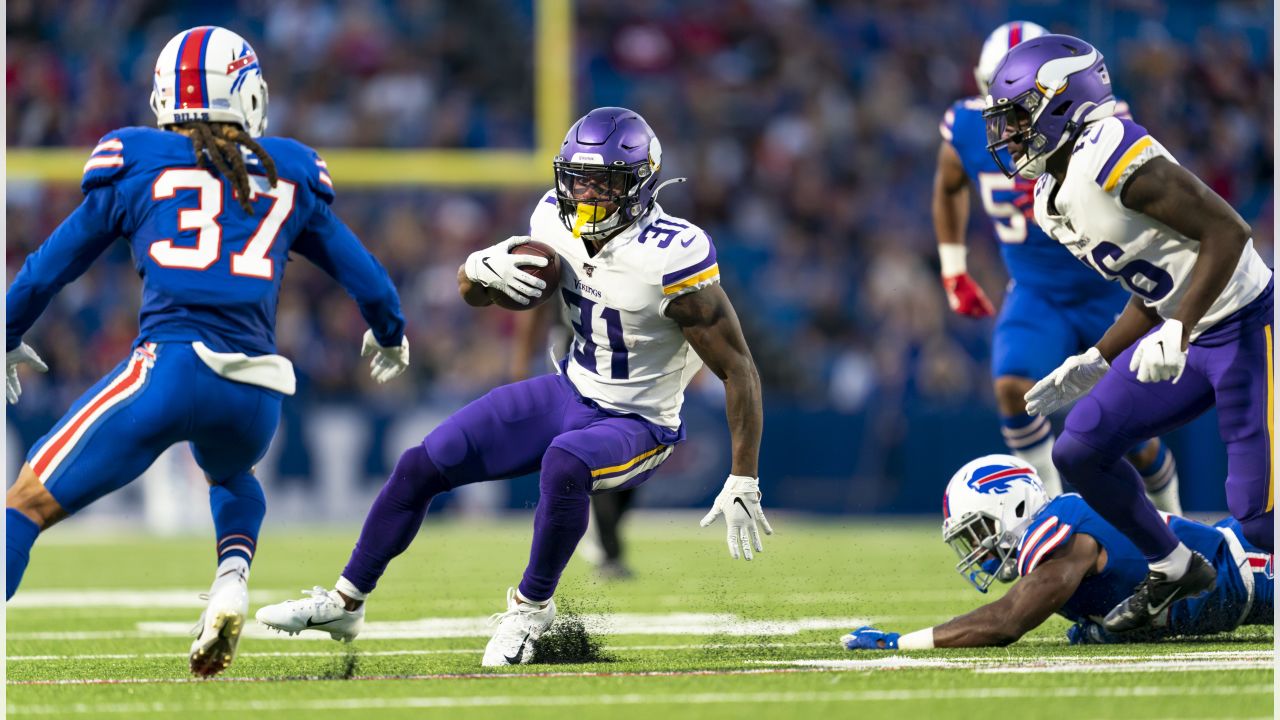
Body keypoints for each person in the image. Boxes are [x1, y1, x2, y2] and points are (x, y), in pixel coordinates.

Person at [255, 107, 770, 666]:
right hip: (568, 391)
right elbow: (487, 294)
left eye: (604, 183)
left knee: (566, 462)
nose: (586, 194)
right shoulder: (552, 217)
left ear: (641, 184)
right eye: (578, 179)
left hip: (637, 422)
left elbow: (738, 366)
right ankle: (345, 600)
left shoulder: (672, 254)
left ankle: (530, 610)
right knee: (421, 463)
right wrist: (475, 270)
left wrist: (743, 475)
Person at [4, 26, 409, 677]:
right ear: (248, 95)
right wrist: (389, 332)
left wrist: (6, 335)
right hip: (255, 391)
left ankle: (226, 584)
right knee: (230, 477)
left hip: (169, 368)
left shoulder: (135, 160)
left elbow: (45, 273)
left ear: (166, 98)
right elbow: (372, 283)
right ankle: (230, 580)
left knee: (23, 504)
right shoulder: (289, 170)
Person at [983, 34, 1273, 633]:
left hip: (1249, 322)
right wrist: (1095, 355)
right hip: (1186, 332)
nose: (1007, 134)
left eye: (1017, 117)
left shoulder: (1108, 151)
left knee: (1258, 515)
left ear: (1060, 101)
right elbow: (1150, 278)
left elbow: (1228, 230)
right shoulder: (1049, 198)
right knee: (1079, 449)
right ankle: (1172, 565)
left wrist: (1181, 325)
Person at [934, 21, 1179, 510]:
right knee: (1011, 387)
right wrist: (953, 266)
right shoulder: (964, 126)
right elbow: (949, 182)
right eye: (992, 99)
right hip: (1036, 292)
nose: (1004, 122)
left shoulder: (1102, 128)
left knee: (1129, 427)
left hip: (1109, 289)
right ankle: (1050, 510)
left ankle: (1174, 520)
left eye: (1018, 104)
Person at [842, 455, 1272, 651]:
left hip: (1254, 562)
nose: (977, 549)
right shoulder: (1060, 541)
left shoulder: (1062, 524)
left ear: (1013, 507)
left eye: (979, 532)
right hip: (1240, 577)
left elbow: (1006, 622)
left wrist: (902, 641)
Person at [510, 283, 638, 580]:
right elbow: (535, 301)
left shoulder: (637, 247)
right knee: (596, 446)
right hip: (577, 353)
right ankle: (608, 551)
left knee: (635, 450)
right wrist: (521, 359)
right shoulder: (562, 242)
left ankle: (605, 537)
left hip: (630, 357)